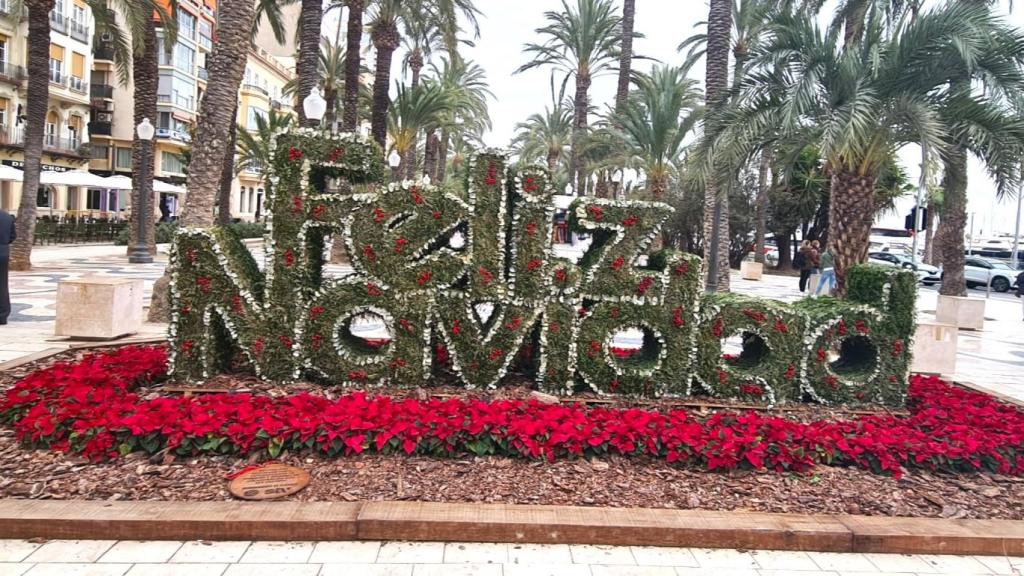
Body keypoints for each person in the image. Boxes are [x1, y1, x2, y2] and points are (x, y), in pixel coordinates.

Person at [0, 209, 14, 325]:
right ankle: (2, 315)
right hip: (3, 253)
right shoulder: (7, 216)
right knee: (2, 285)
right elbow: (13, 236)